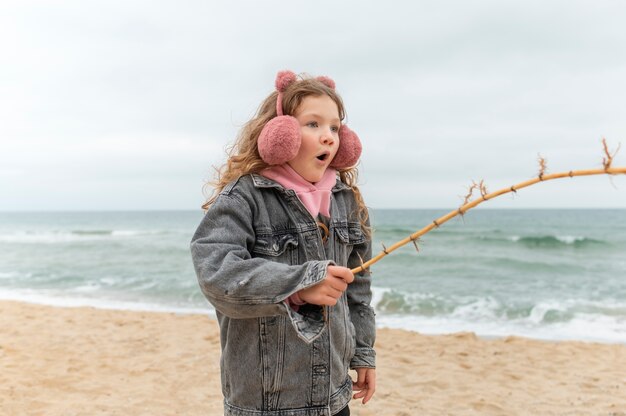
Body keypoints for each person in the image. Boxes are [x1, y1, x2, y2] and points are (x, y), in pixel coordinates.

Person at [190, 70, 376, 416]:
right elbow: (217, 273)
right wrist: (300, 285)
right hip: (266, 402)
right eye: (313, 124)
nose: (328, 137)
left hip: (334, 397)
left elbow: (358, 287)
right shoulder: (245, 197)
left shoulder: (345, 199)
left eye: (335, 127)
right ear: (281, 134)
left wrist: (364, 352)